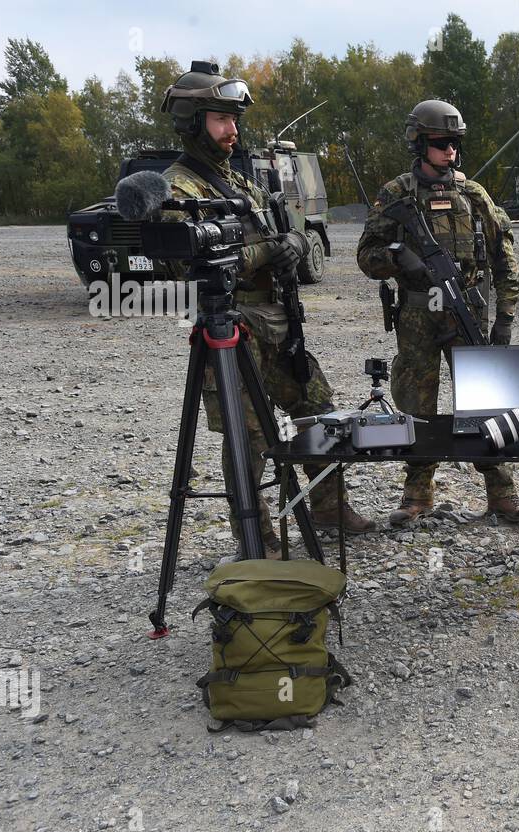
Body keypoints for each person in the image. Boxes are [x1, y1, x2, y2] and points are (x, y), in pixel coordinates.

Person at [158, 62, 373, 556]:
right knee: (248, 436)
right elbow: (182, 268)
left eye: (234, 120)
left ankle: (327, 505)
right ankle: (255, 533)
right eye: (221, 120)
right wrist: (265, 253)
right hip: (233, 330)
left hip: (280, 325)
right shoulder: (180, 189)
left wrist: (295, 241)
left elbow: (283, 227)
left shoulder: (239, 181)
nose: (232, 130)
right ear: (194, 122)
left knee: (319, 410)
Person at [356, 99, 519, 527]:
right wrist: (402, 259)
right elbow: (367, 256)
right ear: (419, 144)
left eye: (455, 142)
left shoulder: (474, 195)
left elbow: (505, 259)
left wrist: (506, 318)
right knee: (418, 405)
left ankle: (501, 491)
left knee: (485, 401)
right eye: (440, 143)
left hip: (467, 310)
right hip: (417, 315)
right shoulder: (396, 194)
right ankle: (418, 493)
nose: (450, 151)